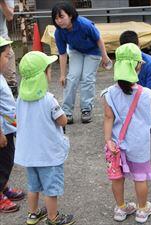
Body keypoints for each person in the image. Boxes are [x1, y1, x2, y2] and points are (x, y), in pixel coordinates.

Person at [14, 51, 75, 225]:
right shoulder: (49, 100)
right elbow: (62, 120)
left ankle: (32, 215)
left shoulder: (20, 99)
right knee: (51, 189)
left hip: (29, 154)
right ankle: (53, 218)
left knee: (33, 186)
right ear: (42, 75)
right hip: (48, 154)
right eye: (49, 70)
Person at [101, 43, 151, 223]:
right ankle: (142, 210)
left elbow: (108, 118)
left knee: (117, 179)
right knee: (140, 178)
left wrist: (108, 140)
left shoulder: (108, 93)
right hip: (139, 144)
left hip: (117, 144)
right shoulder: (147, 93)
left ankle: (120, 209)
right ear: (138, 66)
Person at [52, 2, 110, 124]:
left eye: (61, 17)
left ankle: (86, 109)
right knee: (72, 78)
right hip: (76, 51)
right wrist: (62, 75)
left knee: (87, 78)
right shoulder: (59, 32)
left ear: (70, 15)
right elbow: (62, 54)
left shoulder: (84, 24)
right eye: (56, 18)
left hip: (93, 52)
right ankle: (66, 112)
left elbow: (99, 39)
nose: (59, 21)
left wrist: (105, 57)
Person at [0, 37, 24, 213]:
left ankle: (4, 187)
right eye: (7, 56)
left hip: (8, 127)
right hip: (2, 130)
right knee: (3, 162)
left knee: (7, 160)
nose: (9, 60)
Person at [0, 0, 18, 96]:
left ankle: (13, 104)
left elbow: (10, 17)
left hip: (2, 38)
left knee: (10, 77)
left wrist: (2, 2)